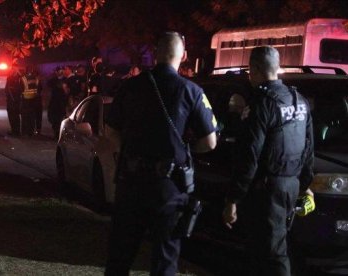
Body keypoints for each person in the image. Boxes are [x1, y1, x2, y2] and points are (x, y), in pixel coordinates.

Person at [104, 32, 218, 276]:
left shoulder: (130, 86)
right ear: (184, 56)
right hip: (168, 187)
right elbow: (210, 141)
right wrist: (187, 150)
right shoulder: (191, 91)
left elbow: (110, 129)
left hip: (131, 182)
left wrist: (126, 151)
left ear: (155, 55)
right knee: (165, 260)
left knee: (119, 257)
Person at [222, 46, 314, 276]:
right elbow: (308, 147)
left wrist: (233, 198)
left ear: (254, 70)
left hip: (266, 190)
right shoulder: (299, 100)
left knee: (271, 254)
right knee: (274, 247)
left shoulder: (262, 103)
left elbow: (249, 155)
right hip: (290, 186)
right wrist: (305, 184)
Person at [47, 66, 66, 139]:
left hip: (62, 101)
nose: (61, 72)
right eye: (59, 71)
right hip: (54, 101)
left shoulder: (65, 79)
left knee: (61, 118)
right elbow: (48, 84)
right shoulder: (53, 80)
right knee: (54, 118)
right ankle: (56, 133)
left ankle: (61, 134)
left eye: (62, 70)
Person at [21, 67, 41, 136]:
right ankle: (31, 131)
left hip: (25, 100)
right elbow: (39, 88)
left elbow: (20, 89)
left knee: (25, 117)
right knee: (32, 117)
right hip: (34, 100)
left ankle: (25, 131)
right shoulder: (36, 78)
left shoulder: (23, 78)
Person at [5, 64, 24, 136]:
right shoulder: (10, 77)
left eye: (14, 69)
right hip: (11, 99)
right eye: (12, 68)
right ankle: (14, 130)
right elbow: (7, 89)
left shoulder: (19, 78)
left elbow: (21, 88)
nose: (12, 70)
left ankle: (16, 131)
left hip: (16, 100)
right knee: (11, 115)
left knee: (15, 116)